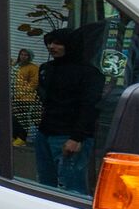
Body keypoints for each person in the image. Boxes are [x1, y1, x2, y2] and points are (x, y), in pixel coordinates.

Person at [34, 28, 103, 195]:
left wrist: (77, 137)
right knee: (45, 185)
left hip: (69, 136)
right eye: (50, 42)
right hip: (45, 133)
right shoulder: (47, 68)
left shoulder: (88, 73)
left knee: (72, 188)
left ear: (70, 45)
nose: (52, 46)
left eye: (58, 43)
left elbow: (90, 106)